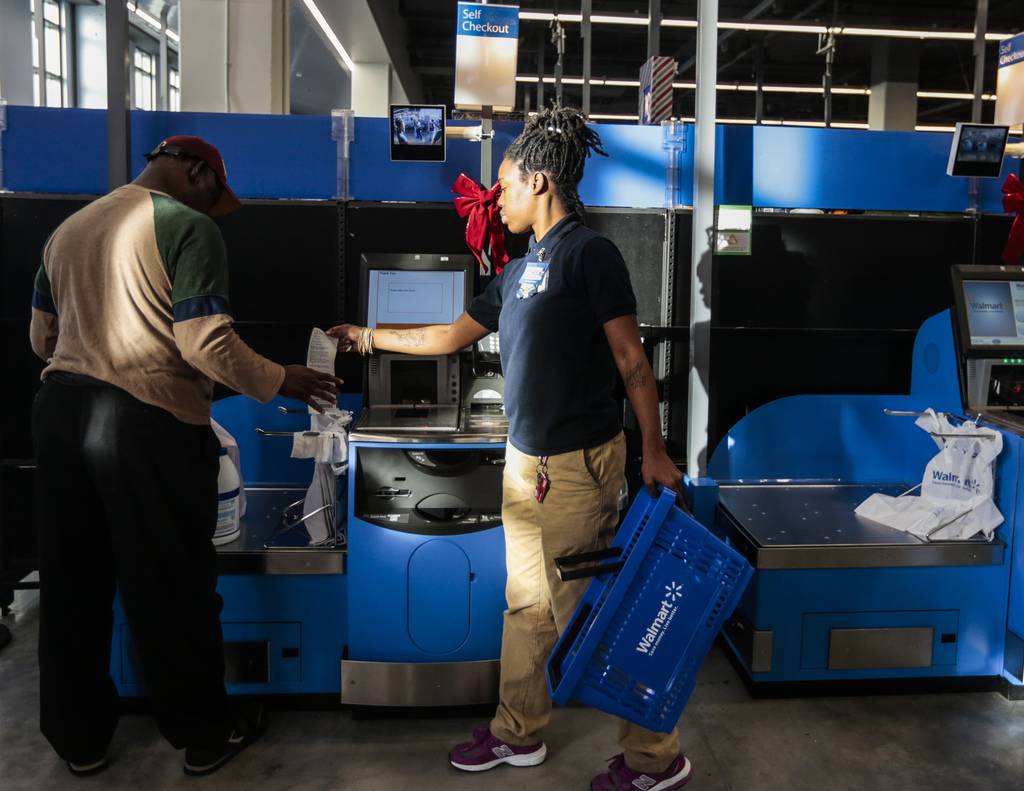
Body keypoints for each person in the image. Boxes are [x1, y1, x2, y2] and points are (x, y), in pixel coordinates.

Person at [327, 107, 692, 791]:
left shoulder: (591, 254)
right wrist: (369, 337)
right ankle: (517, 733)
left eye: (506, 183)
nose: (498, 197)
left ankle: (657, 756)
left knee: (590, 611)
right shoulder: (521, 270)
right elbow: (446, 335)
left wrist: (655, 450)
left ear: (541, 180)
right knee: (525, 606)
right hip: (527, 467)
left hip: (576, 469)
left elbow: (631, 361)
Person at [29, 135, 340, 778]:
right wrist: (284, 378)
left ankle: (78, 740)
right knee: (171, 585)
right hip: (142, 425)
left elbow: (43, 336)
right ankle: (204, 734)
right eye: (212, 193)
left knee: (71, 584)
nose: (211, 207)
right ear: (196, 172)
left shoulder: (69, 229)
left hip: (60, 417)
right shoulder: (186, 226)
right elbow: (204, 342)